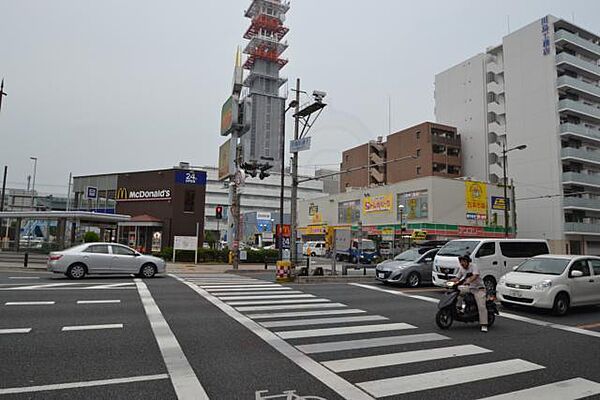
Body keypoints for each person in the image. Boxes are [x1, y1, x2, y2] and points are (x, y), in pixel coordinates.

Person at [452, 254, 489, 333]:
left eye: (464, 261)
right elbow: (457, 278)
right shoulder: (462, 268)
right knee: (458, 292)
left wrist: (469, 281)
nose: (462, 263)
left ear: (468, 261)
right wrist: (450, 281)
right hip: (470, 288)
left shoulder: (473, 266)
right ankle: (459, 307)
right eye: (461, 261)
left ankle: (484, 324)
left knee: (481, 305)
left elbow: (475, 275)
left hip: (479, 289)